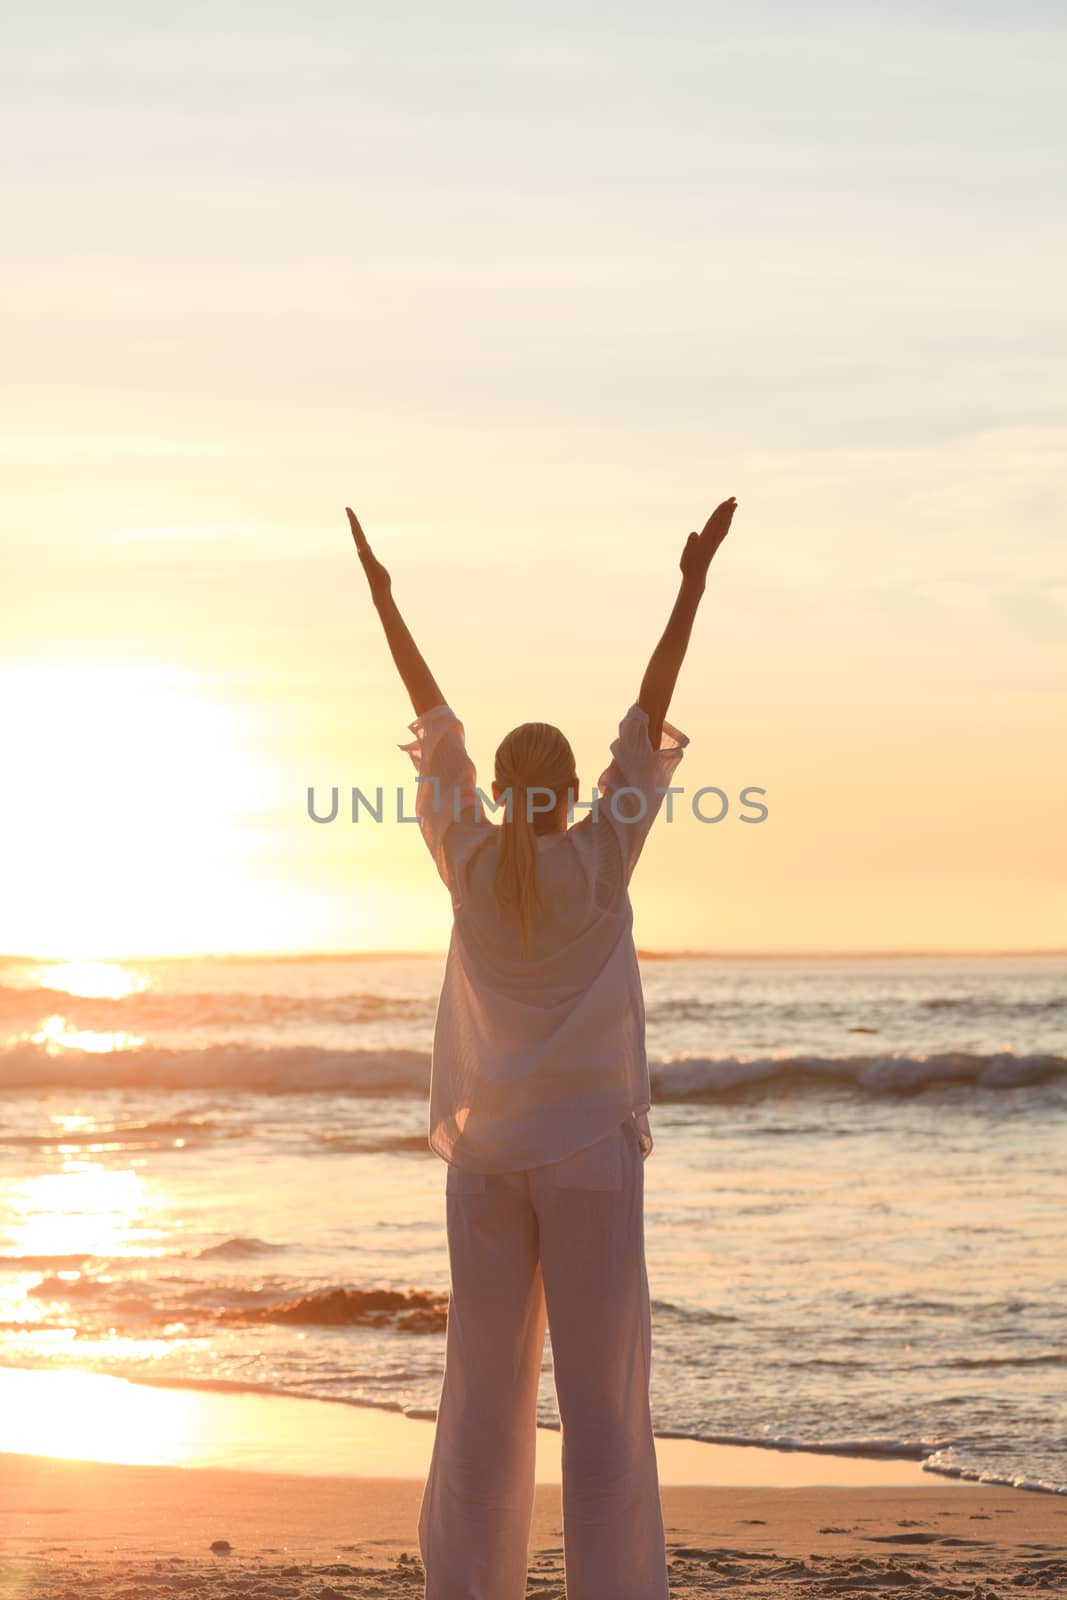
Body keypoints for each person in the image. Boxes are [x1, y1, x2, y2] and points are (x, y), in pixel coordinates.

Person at [347, 496, 738, 1600]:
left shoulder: (467, 857)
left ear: (501, 792)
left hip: (486, 1163)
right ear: (567, 790)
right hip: (588, 1162)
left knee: (480, 1397)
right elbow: (645, 715)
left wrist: (385, 601)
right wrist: (688, 586)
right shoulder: (601, 854)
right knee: (605, 1404)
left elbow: (432, 719)